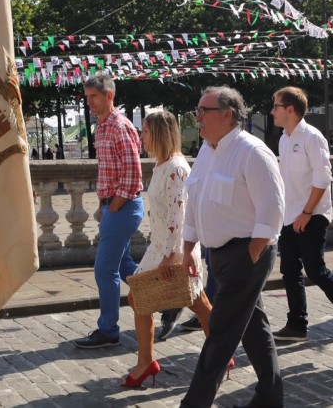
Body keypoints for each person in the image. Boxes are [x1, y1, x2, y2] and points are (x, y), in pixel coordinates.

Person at [180, 86, 284, 408]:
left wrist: (252, 252)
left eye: (203, 111)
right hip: (220, 256)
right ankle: (270, 398)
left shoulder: (252, 151)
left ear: (227, 115)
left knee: (220, 334)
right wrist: (188, 247)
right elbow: (194, 202)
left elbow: (273, 208)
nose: (197, 117)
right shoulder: (206, 152)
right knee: (254, 329)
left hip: (246, 254)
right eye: (197, 111)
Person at [121, 110, 216, 388]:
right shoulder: (162, 165)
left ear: (160, 134)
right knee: (194, 302)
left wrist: (170, 256)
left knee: (194, 302)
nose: (141, 136)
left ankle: (148, 362)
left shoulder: (176, 169)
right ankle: (148, 360)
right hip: (160, 246)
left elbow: (179, 215)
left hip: (172, 250)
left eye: (146, 132)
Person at [270, 87, 333, 343]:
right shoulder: (284, 139)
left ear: (290, 109)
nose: (272, 111)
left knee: (315, 269)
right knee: (289, 271)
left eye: (276, 106)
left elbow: (323, 179)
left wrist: (307, 213)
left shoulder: (312, 137)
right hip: (289, 216)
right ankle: (297, 325)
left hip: (313, 214)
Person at [73, 73, 145, 349]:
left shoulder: (119, 126)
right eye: (87, 96)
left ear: (109, 95)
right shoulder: (102, 127)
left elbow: (133, 175)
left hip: (123, 206)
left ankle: (108, 330)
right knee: (126, 268)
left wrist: (112, 207)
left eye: (94, 96)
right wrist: (105, 207)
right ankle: (165, 301)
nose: (89, 101)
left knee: (105, 269)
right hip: (114, 207)